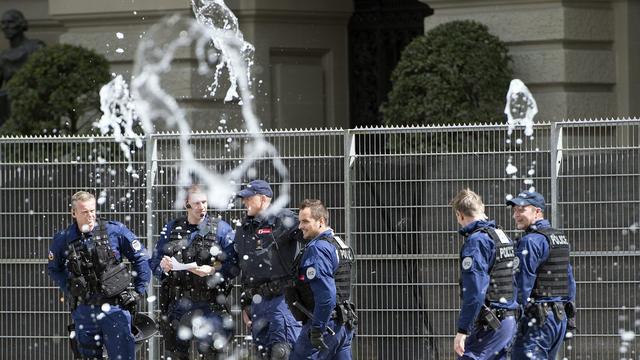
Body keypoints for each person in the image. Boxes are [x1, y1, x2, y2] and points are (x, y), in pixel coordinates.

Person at [47, 191, 151, 360]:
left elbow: (141, 258)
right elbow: (54, 268)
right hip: (84, 310)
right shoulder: (63, 239)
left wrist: (138, 290)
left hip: (115, 307)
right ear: (74, 213)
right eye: (84, 212)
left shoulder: (113, 230)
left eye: (92, 211)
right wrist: (70, 288)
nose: (90, 216)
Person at [149, 185, 239, 360]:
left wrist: (213, 270)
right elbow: (154, 262)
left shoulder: (220, 229)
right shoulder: (172, 229)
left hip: (210, 303)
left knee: (210, 353)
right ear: (186, 204)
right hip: (178, 303)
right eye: (196, 203)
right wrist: (164, 267)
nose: (202, 207)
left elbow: (234, 264)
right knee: (176, 354)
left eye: (204, 202)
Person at [234, 179, 302, 359]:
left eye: (249, 198)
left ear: (264, 199)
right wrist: (245, 304)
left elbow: (312, 233)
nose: (244, 202)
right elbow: (245, 267)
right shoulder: (244, 228)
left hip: (282, 300)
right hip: (257, 303)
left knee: (283, 352)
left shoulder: (285, 220)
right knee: (262, 353)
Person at [507, 190, 577, 360]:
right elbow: (569, 280)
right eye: (514, 210)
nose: (516, 215)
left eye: (521, 210)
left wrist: (513, 319)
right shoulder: (558, 238)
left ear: (537, 211)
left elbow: (522, 284)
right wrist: (570, 317)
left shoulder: (531, 241)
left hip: (537, 320)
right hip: (557, 318)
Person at [285, 199, 357, 360]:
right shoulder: (339, 243)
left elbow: (326, 295)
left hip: (324, 324)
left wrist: (317, 329)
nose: (300, 226)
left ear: (321, 221)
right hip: (343, 325)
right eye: (299, 221)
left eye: (305, 221)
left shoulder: (318, 249)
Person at [451, 189, 518, 359]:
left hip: (490, 323)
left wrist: (463, 330)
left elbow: (475, 290)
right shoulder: (502, 236)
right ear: (483, 208)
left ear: (459, 215)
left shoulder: (476, 242)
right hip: (508, 320)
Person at [0, 9, 45, 123]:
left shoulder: (36, 48)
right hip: (10, 107)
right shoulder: (3, 57)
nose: (5, 27)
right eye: (3, 23)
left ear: (21, 24)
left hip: (34, 104)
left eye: (10, 22)